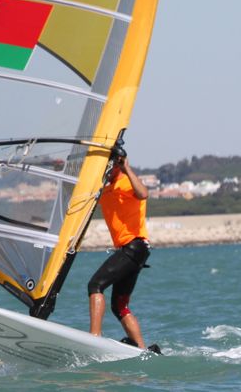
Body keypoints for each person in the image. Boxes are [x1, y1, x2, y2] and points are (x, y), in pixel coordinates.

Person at [87, 147, 152, 349]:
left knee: (95, 285)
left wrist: (126, 168)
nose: (108, 169)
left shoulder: (127, 182)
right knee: (119, 305)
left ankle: (94, 337)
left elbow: (143, 194)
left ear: (117, 164)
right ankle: (142, 350)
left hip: (134, 246)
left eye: (111, 165)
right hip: (134, 251)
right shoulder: (105, 190)